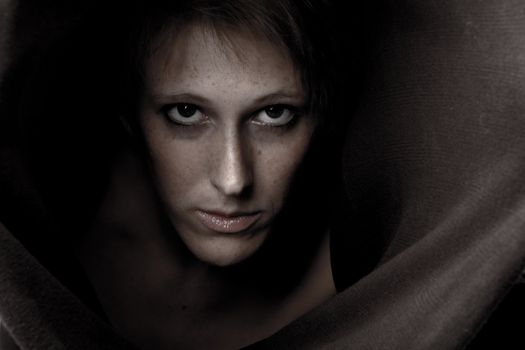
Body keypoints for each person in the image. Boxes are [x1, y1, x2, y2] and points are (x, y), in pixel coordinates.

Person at [1, 0, 353, 349]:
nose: (233, 180)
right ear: (129, 113)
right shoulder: (43, 235)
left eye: (275, 114)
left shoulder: (362, 279)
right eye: (186, 113)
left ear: (321, 117)